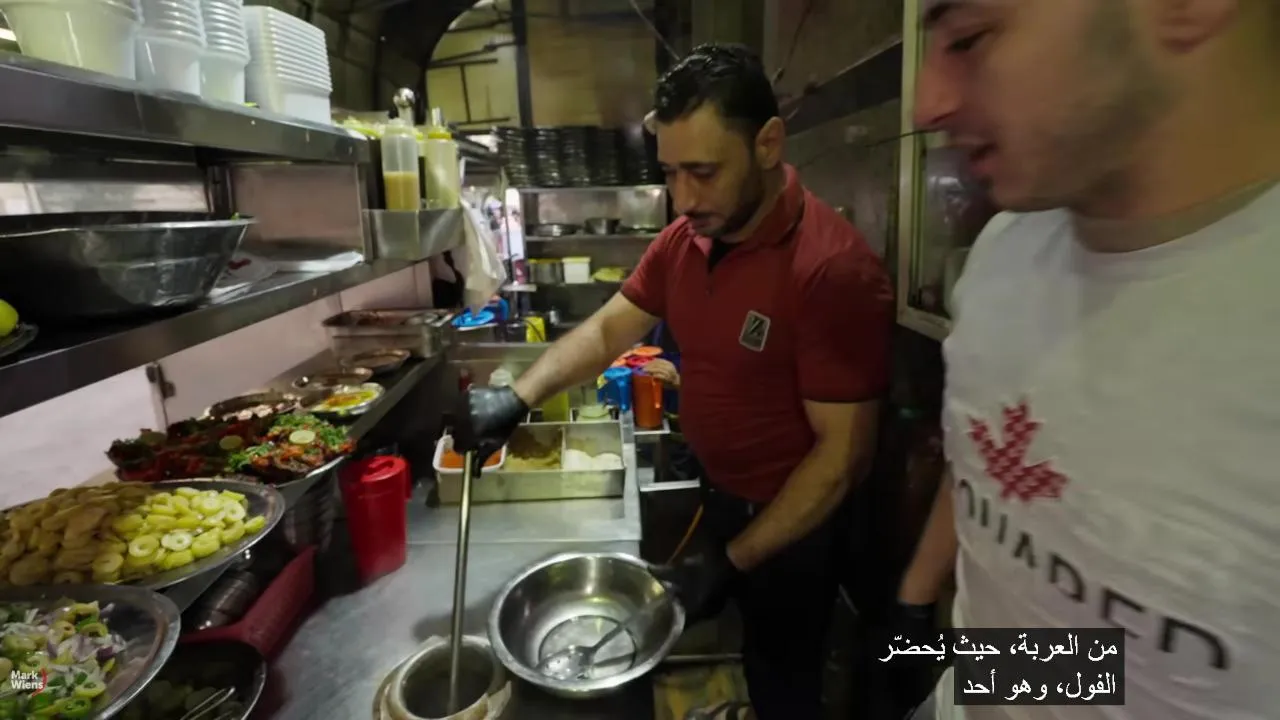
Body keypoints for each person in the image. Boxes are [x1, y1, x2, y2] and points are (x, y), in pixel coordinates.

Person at [454, 43, 893, 719]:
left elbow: (842, 459)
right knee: (750, 653)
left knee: (785, 675)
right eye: (670, 173)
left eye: (704, 172)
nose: (683, 199)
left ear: (768, 144)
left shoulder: (831, 270)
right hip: (722, 496)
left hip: (795, 526)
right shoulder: (687, 239)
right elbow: (610, 329)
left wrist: (736, 559)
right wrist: (518, 397)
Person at [897, 1, 1280, 718]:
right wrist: (930, 621)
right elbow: (1113, 662)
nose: (928, 104)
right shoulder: (1008, 254)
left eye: (971, 37)